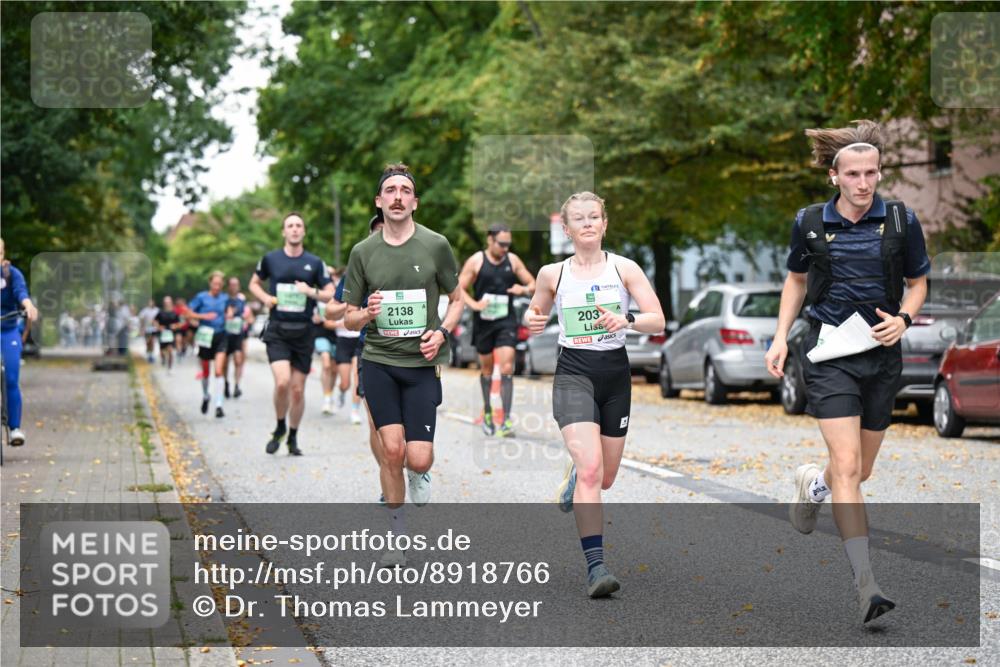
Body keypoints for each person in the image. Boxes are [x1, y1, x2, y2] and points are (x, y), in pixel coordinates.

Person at [764, 120, 930, 624]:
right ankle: (866, 585)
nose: (864, 183)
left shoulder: (901, 220)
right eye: (853, 174)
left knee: (859, 472)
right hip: (830, 352)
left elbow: (918, 282)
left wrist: (903, 319)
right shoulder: (810, 222)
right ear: (834, 175)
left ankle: (813, 484)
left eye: (872, 173)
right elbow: (796, 280)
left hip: (881, 356)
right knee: (850, 467)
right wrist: (778, 337)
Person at [524, 192, 664, 598]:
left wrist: (628, 319)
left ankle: (576, 477)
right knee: (591, 470)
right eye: (579, 219)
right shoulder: (553, 273)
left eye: (594, 217)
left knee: (604, 476)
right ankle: (596, 567)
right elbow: (535, 312)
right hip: (574, 374)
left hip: (614, 375)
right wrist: (531, 321)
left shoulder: (624, 268)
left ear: (604, 224)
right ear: (566, 229)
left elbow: (657, 319)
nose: (587, 223)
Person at [342, 164, 463, 565]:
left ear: (414, 201)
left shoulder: (435, 245)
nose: (397, 196)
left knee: (418, 457)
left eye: (404, 190)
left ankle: (420, 472)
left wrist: (442, 332)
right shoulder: (363, 252)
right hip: (378, 360)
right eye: (390, 190)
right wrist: (366, 312)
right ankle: (396, 532)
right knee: (391, 451)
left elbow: (458, 298)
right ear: (379, 201)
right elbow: (347, 317)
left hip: (421, 364)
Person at [249, 212, 334, 456]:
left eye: (299, 226)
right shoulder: (271, 259)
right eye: (290, 226)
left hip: (304, 332)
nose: (295, 229)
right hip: (278, 330)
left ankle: (292, 436)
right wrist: (266, 298)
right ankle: (279, 426)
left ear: (304, 232)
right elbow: (254, 283)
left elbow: (331, 292)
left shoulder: (315, 263)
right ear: (283, 232)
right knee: (283, 382)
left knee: (297, 390)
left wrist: (311, 291)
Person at [458, 223, 536, 437]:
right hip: (483, 322)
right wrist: (474, 305)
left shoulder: (512, 260)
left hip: (506, 320)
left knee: (507, 366)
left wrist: (523, 289)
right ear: (490, 240)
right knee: (486, 369)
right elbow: (459, 288)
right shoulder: (476, 261)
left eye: (508, 244)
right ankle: (489, 413)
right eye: (501, 244)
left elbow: (533, 283)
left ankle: (507, 419)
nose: (505, 248)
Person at [328, 213, 385, 494]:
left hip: (408, 351)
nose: (382, 235)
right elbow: (331, 309)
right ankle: (389, 476)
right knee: (376, 422)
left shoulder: (416, 263)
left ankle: (410, 465)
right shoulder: (358, 268)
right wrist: (353, 308)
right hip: (369, 347)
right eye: (376, 231)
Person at [0, 237, 39, 447]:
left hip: (7, 331)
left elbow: (21, 293)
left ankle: (14, 427)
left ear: (3, 253)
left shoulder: (11, 274)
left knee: (11, 378)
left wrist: (28, 305)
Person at [185, 271, 230, 418]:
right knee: (205, 372)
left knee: (218, 371)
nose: (217, 286)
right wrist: (203, 316)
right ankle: (206, 396)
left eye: (220, 284)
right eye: (215, 284)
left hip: (221, 335)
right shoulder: (201, 297)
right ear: (210, 283)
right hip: (205, 336)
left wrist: (229, 314)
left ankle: (219, 405)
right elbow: (188, 313)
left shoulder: (225, 298)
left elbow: (229, 310)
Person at [314, 267, 340, 415]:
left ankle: (330, 394)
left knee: (334, 368)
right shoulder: (318, 294)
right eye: (328, 275)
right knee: (325, 364)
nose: (330, 277)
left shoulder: (340, 293)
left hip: (338, 336)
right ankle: (326, 398)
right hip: (321, 334)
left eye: (333, 274)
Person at [223, 276, 254, 399]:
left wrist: (247, 319)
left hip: (238, 334)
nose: (234, 287)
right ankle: (225, 383)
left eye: (236, 284)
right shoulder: (224, 299)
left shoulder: (241, 300)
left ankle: (236, 386)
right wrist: (227, 315)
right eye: (232, 284)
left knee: (238, 360)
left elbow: (247, 315)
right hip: (226, 334)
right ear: (228, 286)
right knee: (225, 362)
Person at [155, 296, 181, 371]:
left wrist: (175, 326)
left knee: (170, 350)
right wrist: (159, 327)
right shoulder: (160, 313)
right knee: (162, 351)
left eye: (168, 302)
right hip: (162, 334)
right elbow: (155, 321)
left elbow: (179, 323)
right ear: (164, 303)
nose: (167, 304)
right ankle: (163, 358)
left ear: (171, 303)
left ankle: (170, 367)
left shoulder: (175, 313)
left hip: (171, 334)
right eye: (166, 302)